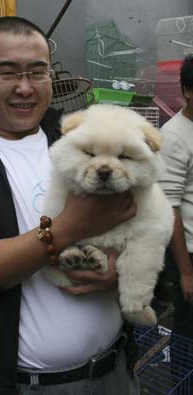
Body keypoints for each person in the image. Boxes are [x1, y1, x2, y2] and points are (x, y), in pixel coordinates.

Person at [0, 16, 139, 395]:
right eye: (8, 73)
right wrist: (67, 229)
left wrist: (123, 270)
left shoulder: (81, 139)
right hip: (25, 385)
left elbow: (136, 215)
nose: (25, 88)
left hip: (116, 370)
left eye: (37, 72)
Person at [159, 54, 193, 394]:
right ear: (187, 90)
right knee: (188, 332)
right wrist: (185, 271)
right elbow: (170, 209)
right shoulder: (173, 137)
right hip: (189, 253)